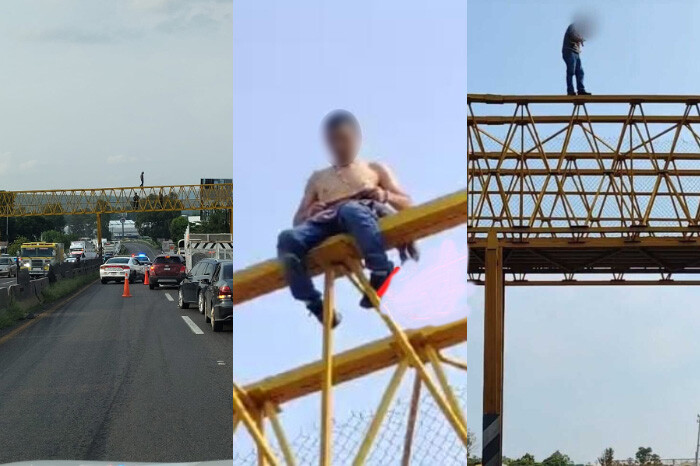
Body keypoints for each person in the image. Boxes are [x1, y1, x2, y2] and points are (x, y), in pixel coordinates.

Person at [277, 110, 412, 328]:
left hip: (360, 213)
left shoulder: (373, 169)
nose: (338, 146)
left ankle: (380, 268)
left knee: (350, 210)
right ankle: (314, 303)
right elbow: (297, 221)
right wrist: (309, 213)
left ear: (356, 139)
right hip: (325, 221)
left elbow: (406, 203)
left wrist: (383, 195)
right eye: (333, 141)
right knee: (287, 239)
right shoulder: (318, 178)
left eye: (343, 139)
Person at [562, 17, 592, 96]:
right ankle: (570, 91)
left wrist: (580, 40)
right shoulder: (573, 26)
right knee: (571, 71)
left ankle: (581, 90)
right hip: (569, 51)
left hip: (576, 53)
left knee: (580, 72)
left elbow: (576, 38)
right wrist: (580, 39)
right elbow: (572, 35)